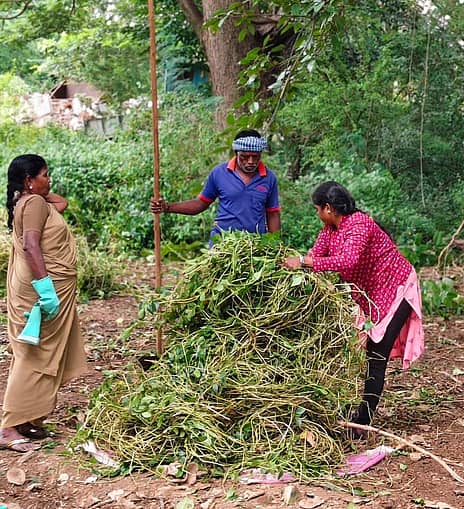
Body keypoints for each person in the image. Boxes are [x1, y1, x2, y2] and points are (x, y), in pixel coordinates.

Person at [282, 182, 424, 436]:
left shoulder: (359, 224)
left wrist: (303, 262)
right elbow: (317, 253)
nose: (317, 215)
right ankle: (357, 415)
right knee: (362, 352)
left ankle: (363, 421)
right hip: (372, 296)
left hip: (396, 289)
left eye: (317, 209)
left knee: (376, 355)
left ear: (328, 207)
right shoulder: (330, 228)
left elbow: (348, 260)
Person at [2, 154, 87, 452]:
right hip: (41, 290)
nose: (49, 180)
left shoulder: (30, 202)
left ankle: (26, 420)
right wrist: (46, 290)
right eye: (44, 175)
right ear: (29, 180)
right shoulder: (34, 203)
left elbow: (60, 203)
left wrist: (31, 188)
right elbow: (31, 245)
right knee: (33, 354)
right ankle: (9, 427)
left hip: (38, 287)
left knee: (37, 351)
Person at [150, 129, 281, 244]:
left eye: (255, 157)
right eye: (245, 157)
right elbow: (201, 203)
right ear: (236, 154)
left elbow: (273, 213)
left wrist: (274, 245)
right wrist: (167, 207)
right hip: (222, 242)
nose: (251, 161)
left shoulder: (269, 178)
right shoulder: (219, 173)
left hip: (255, 244)